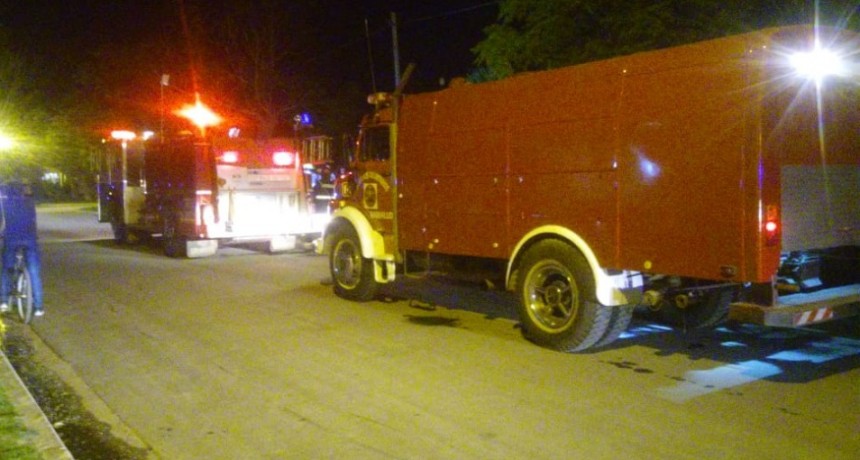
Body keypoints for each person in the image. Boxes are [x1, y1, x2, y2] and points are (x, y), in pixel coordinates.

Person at [0, 182, 44, 316]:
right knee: (34, 272)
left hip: (11, 239)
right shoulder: (29, 201)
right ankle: (38, 307)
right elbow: (33, 220)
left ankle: (4, 301)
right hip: (30, 240)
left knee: (7, 269)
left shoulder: (3, 202)